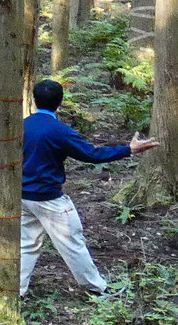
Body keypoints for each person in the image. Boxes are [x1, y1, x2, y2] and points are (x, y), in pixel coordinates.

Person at [19, 79, 157, 297]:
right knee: (72, 242)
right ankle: (98, 289)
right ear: (60, 102)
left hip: (23, 197)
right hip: (49, 198)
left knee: (27, 243)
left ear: (35, 101)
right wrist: (129, 150)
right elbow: (92, 155)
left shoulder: (22, 125)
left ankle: (16, 291)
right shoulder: (59, 131)